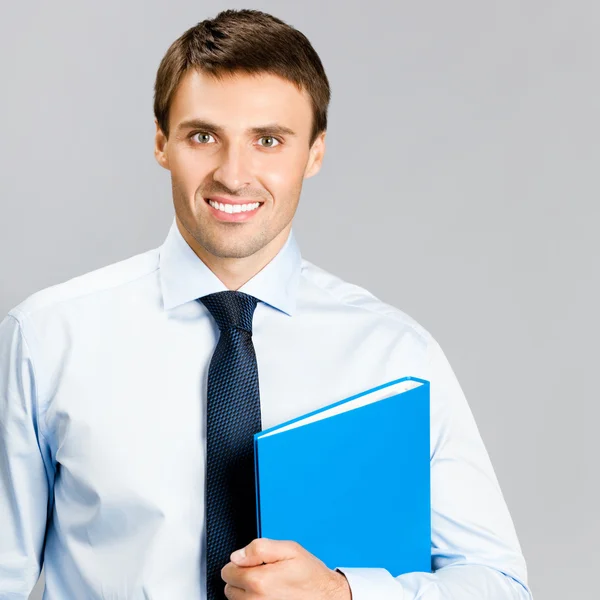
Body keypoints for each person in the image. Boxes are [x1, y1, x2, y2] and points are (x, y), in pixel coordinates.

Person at [0, 8, 533, 600]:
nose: (233, 174)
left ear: (314, 153)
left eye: (269, 140)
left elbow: (499, 583)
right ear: (161, 143)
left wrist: (343, 594)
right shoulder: (48, 337)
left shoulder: (394, 354)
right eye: (203, 136)